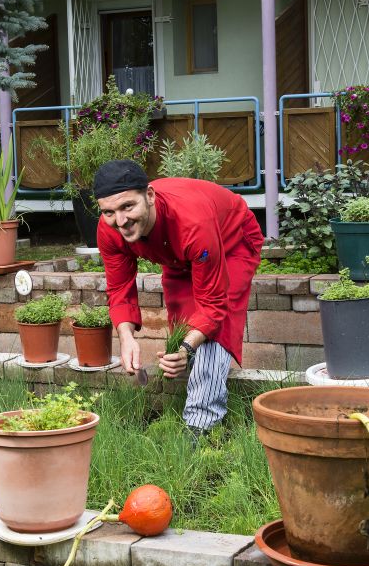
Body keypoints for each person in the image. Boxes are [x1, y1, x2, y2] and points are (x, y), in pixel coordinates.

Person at [94, 159, 264, 438]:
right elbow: (120, 288)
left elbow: (212, 306)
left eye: (128, 206)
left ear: (149, 195)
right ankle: (198, 388)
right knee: (185, 326)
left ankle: (202, 427)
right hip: (179, 256)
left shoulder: (193, 222)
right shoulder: (109, 230)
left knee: (214, 330)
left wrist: (186, 348)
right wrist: (125, 338)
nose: (121, 221)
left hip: (231, 240)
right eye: (109, 212)